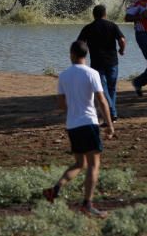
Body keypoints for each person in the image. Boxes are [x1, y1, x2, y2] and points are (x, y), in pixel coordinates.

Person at [43, 41, 115, 217]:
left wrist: (74, 108)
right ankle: (87, 204)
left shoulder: (64, 75)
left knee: (79, 163)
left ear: (72, 54)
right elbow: (102, 100)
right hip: (89, 122)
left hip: (72, 125)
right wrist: (110, 124)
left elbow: (61, 104)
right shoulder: (92, 73)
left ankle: (56, 189)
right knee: (93, 164)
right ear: (86, 55)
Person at [78, 5, 127, 122]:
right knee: (112, 88)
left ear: (93, 15)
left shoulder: (88, 28)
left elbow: (79, 43)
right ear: (105, 14)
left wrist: (82, 57)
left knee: (102, 88)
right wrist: (122, 50)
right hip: (112, 62)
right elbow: (122, 40)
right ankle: (112, 113)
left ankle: (110, 111)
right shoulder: (112, 25)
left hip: (97, 62)